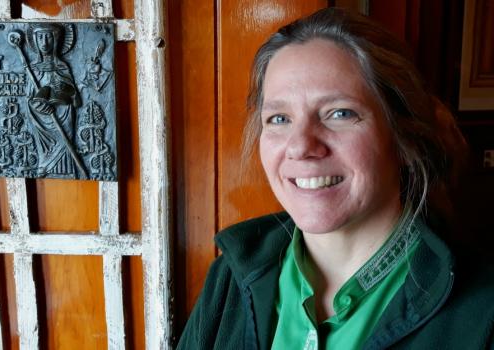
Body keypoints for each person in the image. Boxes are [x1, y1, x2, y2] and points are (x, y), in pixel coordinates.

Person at [177, 7, 494, 350]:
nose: (301, 146)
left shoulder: (482, 311)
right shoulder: (230, 278)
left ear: (405, 139)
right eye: (279, 118)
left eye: (339, 113)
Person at [25, 23, 83, 178]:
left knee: (66, 150)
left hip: (64, 118)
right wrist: (37, 106)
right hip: (42, 122)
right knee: (46, 156)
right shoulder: (33, 68)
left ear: (56, 39)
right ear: (35, 40)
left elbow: (77, 102)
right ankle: (45, 167)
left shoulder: (63, 67)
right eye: (40, 37)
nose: (44, 42)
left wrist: (69, 90)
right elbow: (28, 100)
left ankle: (69, 173)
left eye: (48, 36)